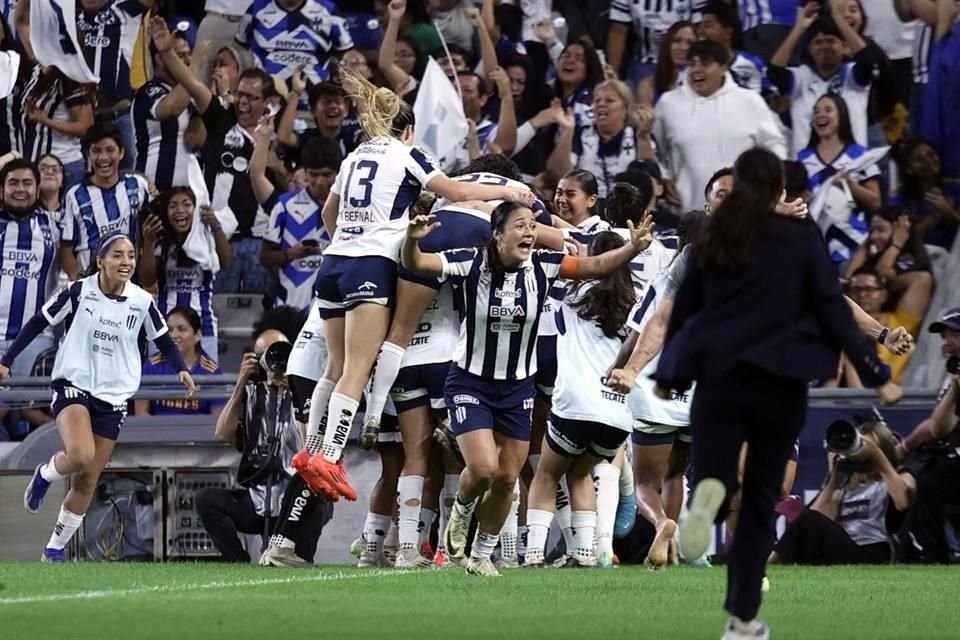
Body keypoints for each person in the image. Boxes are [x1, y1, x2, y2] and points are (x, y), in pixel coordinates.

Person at [650, 148, 900, 640]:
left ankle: (706, 503)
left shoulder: (712, 239)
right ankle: (742, 621)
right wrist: (876, 371)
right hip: (780, 386)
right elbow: (832, 309)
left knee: (715, 478)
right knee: (761, 505)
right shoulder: (800, 240)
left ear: (739, 187)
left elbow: (682, 313)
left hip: (719, 382)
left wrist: (669, 372)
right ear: (779, 190)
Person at [297, 72, 538, 503]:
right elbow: (458, 190)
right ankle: (329, 457)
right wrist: (509, 190)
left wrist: (346, 240)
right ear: (407, 129)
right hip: (369, 264)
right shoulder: (408, 153)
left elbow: (328, 212)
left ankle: (310, 450)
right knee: (355, 369)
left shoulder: (352, 156)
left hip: (333, 264)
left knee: (333, 369)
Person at [401, 200, 654, 576]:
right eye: (520, 226)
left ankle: (481, 555)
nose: (530, 232)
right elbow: (417, 263)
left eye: (533, 225)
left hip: (519, 388)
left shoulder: (545, 265)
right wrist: (411, 240)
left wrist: (632, 247)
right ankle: (461, 510)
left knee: (507, 479)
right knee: (484, 468)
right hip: (471, 380)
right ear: (498, 234)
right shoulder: (470, 261)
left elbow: (595, 266)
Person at [1, 233, 195, 561]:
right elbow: (38, 322)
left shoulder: (142, 301)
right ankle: (46, 473)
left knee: (88, 478)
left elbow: (162, 339)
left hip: (115, 393)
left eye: (131, 255)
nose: (126, 262)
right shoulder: (78, 291)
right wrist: (6, 361)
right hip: (73, 384)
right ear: (101, 260)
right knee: (79, 455)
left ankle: (55, 549)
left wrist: (180, 369)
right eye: (117, 255)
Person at [524, 231, 637, 569]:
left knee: (546, 474)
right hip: (617, 412)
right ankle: (586, 553)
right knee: (581, 473)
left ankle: (532, 554)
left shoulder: (574, 293)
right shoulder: (636, 301)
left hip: (576, 403)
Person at [197, 329, 332, 567]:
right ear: (256, 360)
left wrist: (295, 388)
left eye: (282, 354)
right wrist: (241, 382)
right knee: (207, 499)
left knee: (320, 502)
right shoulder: (250, 392)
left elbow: (321, 436)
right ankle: (236, 564)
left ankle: (301, 560)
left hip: (296, 500)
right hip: (256, 497)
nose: (276, 362)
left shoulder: (308, 391)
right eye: (268, 355)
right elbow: (222, 434)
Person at [645, 40, 787, 211]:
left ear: (723, 67)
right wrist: (664, 178)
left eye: (705, 63)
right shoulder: (669, 103)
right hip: (688, 211)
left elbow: (775, 144)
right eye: (692, 63)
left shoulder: (750, 101)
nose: (696, 69)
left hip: (744, 210)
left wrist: (769, 185)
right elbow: (654, 148)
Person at [769, 419, 915, 565]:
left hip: (875, 552)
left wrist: (878, 458)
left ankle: (769, 566)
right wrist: (834, 476)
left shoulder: (902, 476)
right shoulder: (847, 486)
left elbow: (903, 502)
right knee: (807, 519)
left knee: (808, 520)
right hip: (847, 549)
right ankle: (772, 567)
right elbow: (817, 519)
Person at [138, 187, 232, 359]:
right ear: (166, 212)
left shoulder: (207, 240)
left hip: (203, 326)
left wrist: (216, 226)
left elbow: (226, 263)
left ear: (195, 211)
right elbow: (146, 280)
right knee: (159, 383)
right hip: (163, 326)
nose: (180, 210)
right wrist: (148, 242)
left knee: (204, 384)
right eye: (173, 206)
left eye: (187, 204)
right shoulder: (160, 242)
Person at [59, 124, 151, 279]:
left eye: (110, 150)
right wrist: (77, 281)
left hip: (131, 283)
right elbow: (66, 247)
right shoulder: (74, 195)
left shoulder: (139, 185)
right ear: (87, 154)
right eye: (96, 151)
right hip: (91, 284)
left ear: (121, 152)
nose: (103, 158)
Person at [799, 93, 882, 264]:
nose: (820, 115)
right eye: (816, 112)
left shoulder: (861, 155)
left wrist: (850, 185)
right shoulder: (802, 158)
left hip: (854, 245)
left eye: (828, 110)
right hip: (815, 246)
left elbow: (876, 202)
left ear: (841, 116)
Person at [0, 159, 60, 376]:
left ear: (37, 190)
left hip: (37, 338)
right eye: (13, 183)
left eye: (27, 183)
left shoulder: (55, 225)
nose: (20, 189)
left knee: (29, 407)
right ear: (2, 190)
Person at [134, 307, 224, 417]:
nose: (174, 335)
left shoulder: (212, 370)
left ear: (197, 335)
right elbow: (141, 412)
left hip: (197, 432)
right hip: (157, 431)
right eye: (170, 330)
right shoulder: (152, 365)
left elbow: (216, 419)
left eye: (182, 329)